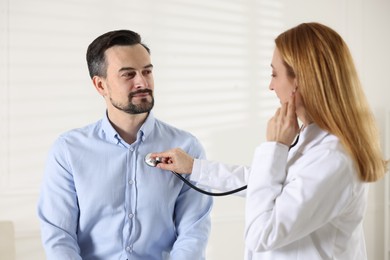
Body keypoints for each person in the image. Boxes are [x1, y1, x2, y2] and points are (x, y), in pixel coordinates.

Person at [151, 22, 388, 260]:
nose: (271, 85)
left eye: (274, 74)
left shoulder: (333, 158)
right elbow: (265, 184)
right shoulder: (311, 139)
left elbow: (261, 234)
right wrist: (194, 167)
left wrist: (275, 147)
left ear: (300, 80)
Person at [37, 29, 213, 260]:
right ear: (100, 85)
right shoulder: (68, 150)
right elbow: (59, 234)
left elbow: (194, 231)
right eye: (128, 74)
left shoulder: (186, 147)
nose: (142, 82)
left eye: (147, 71)